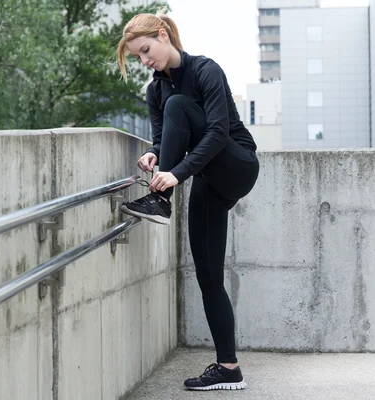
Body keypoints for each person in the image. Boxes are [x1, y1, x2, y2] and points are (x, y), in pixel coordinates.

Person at [116, 8, 259, 391]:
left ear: (163, 35)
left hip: (237, 163)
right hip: (208, 180)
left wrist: (175, 174)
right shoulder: (155, 90)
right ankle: (229, 369)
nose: (145, 61)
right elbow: (165, 138)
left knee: (179, 104)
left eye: (146, 50)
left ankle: (161, 201)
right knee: (208, 276)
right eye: (138, 57)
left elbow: (216, 133)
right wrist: (156, 155)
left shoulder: (205, 70)